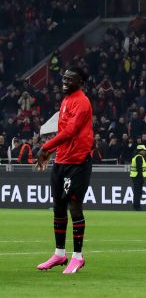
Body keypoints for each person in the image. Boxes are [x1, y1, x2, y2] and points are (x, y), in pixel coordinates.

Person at [35, 67, 94, 274]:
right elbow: (64, 132)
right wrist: (53, 151)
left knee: (74, 207)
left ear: (81, 82)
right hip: (62, 160)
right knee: (58, 206)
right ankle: (60, 254)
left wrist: (46, 146)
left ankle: (78, 257)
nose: (65, 80)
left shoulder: (82, 101)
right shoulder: (67, 100)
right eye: (65, 77)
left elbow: (71, 131)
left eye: (71, 78)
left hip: (78, 162)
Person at [130, 144, 146, 211]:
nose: (145, 152)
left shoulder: (136, 157)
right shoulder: (139, 157)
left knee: (137, 192)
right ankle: (137, 207)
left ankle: (136, 206)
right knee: (138, 192)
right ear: (140, 151)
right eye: (144, 150)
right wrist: (141, 178)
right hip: (138, 177)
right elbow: (139, 169)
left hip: (136, 177)